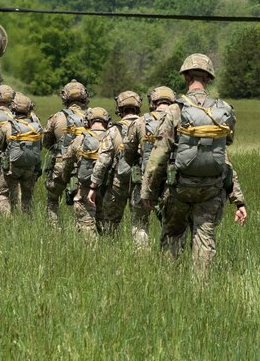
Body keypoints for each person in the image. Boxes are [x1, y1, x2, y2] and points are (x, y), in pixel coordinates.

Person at [141, 53, 248, 273]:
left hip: (180, 187)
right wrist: (238, 200)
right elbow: (225, 155)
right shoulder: (224, 111)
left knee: (172, 236)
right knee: (205, 239)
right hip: (211, 189)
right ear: (208, 78)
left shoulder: (174, 110)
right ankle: (201, 290)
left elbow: (158, 156)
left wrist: (148, 193)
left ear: (186, 76)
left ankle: (170, 287)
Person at [122, 86, 175, 249]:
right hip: (171, 181)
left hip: (144, 180)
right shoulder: (178, 120)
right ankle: (169, 259)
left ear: (153, 102)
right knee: (172, 223)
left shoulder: (140, 121)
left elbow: (128, 152)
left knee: (140, 222)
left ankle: (142, 258)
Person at [88, 90, 142, 235]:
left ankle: (110, 251)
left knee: (111, 221)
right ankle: (142, 253)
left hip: (118, 182)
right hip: (141, 181)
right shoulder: (146, 126)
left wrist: (93, 186)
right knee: (140, 222)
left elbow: (103, 161)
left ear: (119, 107)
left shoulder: (113, 131)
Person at [0, 93, 43, 216]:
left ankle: (6, 219)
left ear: (13, 108)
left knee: (3, 193)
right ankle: (27, 221)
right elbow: (41, 146)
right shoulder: (37, 127)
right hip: (30, 168)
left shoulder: (8, 126)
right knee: (27, 196)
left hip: (11, 168)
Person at [42, 80, 89, 226]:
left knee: (52, 200)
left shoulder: (56, 117)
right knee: (83, 202)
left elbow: (46, 142)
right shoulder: (93, 117)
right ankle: (83, 230)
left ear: (65, 97)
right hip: (85, 165)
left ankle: (54, 230)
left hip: (60, 165)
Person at [62, 107, 111, 239]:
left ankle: (90, 249)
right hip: (107, 187)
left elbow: (67, 160)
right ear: (107, 122)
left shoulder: (81, 138)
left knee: (86, 222)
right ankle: (107, 246)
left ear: (88, 122)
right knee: (105, 220)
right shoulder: (112, 136)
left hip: (85, 186)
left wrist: (65, 178)